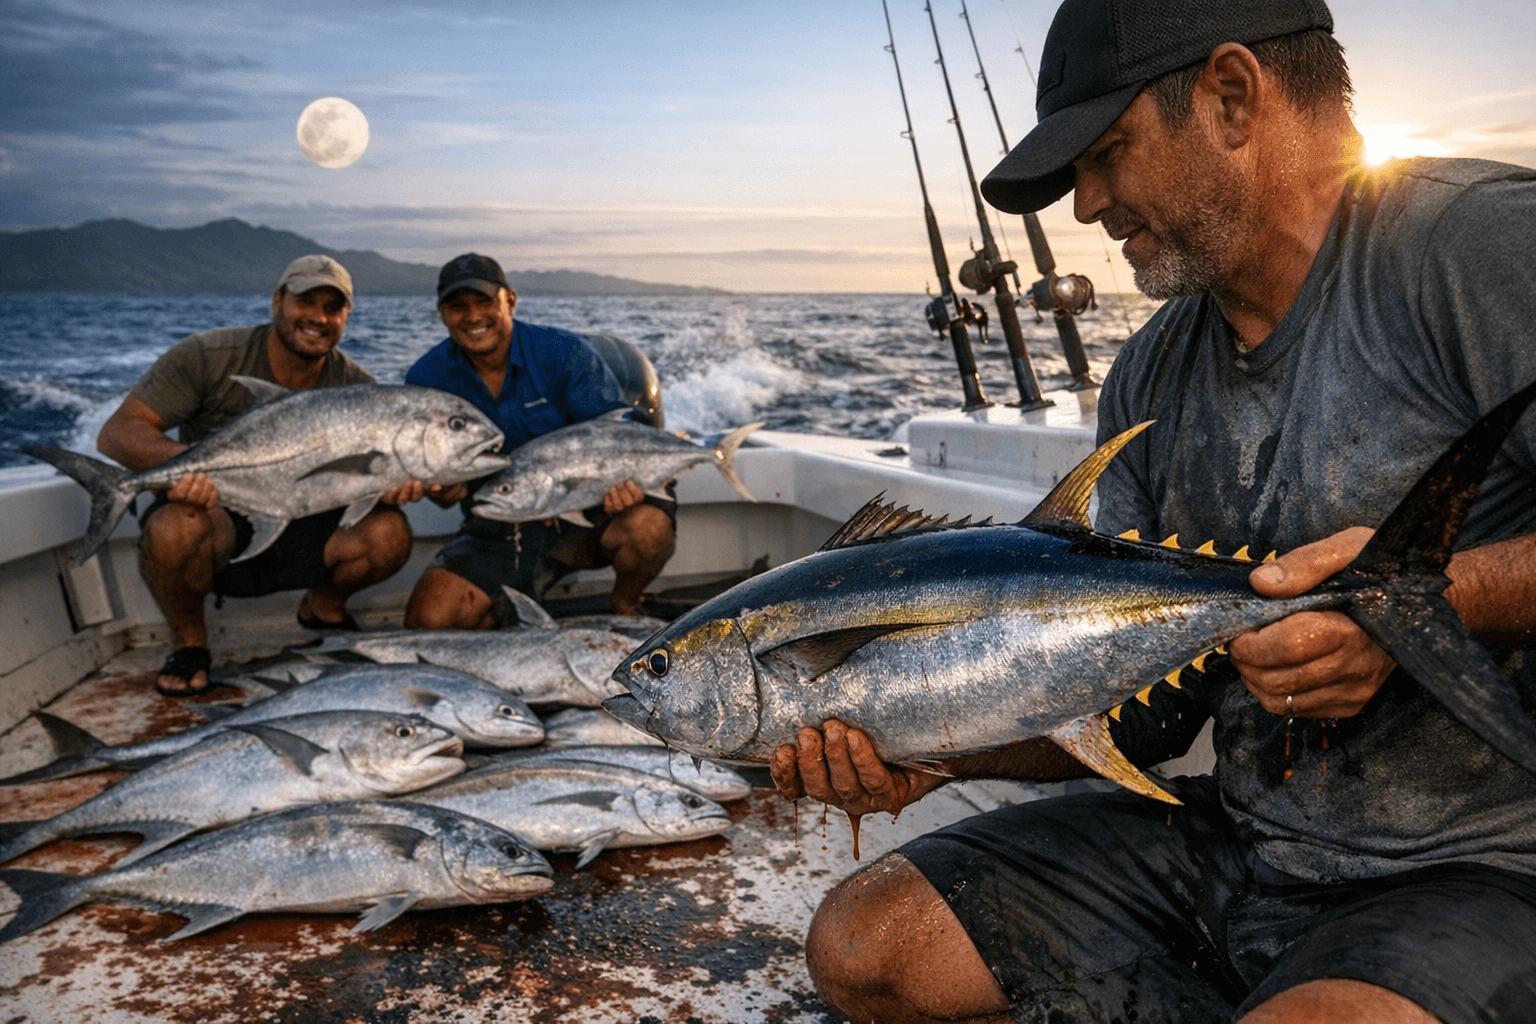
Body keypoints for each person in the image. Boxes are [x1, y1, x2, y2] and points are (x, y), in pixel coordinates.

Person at [770, 2, 1536, 1022]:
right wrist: (928, 736)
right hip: (1247, 843)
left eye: (1107, 151)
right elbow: (1148, 708)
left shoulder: (1477, 245)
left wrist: (1431, 603)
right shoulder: (1151, 369)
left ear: (1230, 95)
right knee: (865, 945)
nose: (1086, 205)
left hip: (1488, 868)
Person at [97, 255, 424, 697]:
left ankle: (322, 610)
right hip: (216, 517)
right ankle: (191, 644)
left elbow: (360, 480)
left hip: (301, 517)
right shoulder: (208, 356)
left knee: (390, 534)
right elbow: (118, 433)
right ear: (277, 302)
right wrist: (187, 466)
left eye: (333, 307)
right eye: (305, 301)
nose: (318, 317)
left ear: (346, 317)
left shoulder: (357, 389)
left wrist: (391, 484)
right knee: (173, 527)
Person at [402, 253, 676, 628]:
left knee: (648, 528)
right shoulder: (427, 378)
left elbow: (619, 432)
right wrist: (441, 490)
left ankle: (625, 603)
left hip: (591, 513)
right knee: (429, 623)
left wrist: (627, 483)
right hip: (502, 526)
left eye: (484, 301)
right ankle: (509, 607)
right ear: (441, 313)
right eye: (457, 306)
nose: (472, 316)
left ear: (510, 300)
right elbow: (438, 476)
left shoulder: (563, 352)